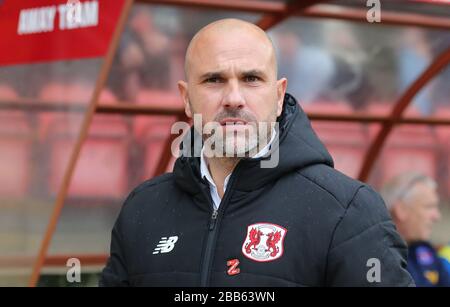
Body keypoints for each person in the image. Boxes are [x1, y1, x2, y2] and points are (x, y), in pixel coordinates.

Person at [100, 18, 413, 287]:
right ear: (186, 97)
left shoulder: (348, 211)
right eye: (214, 79)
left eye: (251, 79)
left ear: (278, 96)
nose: (233, 98)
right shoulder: (142, 210)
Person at [381, 172, 450, 287]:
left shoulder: (424, 250)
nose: (437, 216)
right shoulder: (377, 258)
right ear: (401, 210)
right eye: (429, 206)